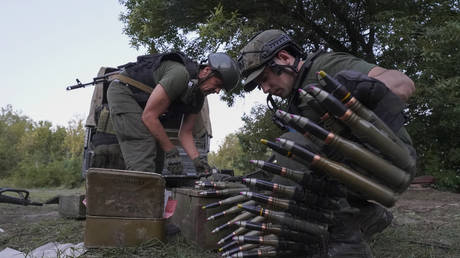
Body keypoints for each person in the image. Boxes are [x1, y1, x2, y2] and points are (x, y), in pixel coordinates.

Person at [238, 29, 416, 257]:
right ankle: (365, 215)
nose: (264, 88)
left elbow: (403, 83)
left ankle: (348, 245)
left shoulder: (327, 66)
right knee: (282, 164)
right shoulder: (294, 98)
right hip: (352, 166)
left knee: (291, 146)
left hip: (391, 161)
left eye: (264, 78)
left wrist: (362, 89)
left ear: (284, 58)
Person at [107, 52, 240, 175]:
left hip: (144, 106)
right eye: (217, 84)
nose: (217, 91)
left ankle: (149, 195)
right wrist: (171, 151)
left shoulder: (198, 97)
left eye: (220, 89)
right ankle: (137, 197)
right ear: (206, 71)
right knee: (144, 147)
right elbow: (149, 117)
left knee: (158, 158)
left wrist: (197, 161)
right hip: (124, 91)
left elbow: (185, 132)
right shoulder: (180, 74)